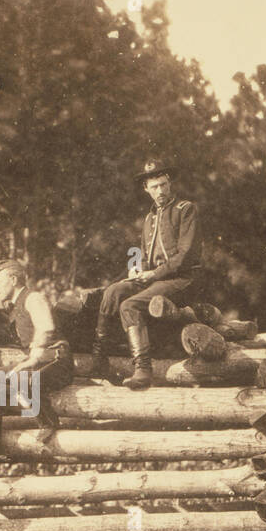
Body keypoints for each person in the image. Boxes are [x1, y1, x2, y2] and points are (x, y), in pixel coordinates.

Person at [91, 160, 203, 389]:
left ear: (169, 183)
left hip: (181, 280)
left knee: (129, 305)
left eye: (163, 185)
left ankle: (143, 369)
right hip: (155, 279)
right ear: (146, 189)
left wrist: (153, 275)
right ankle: (99, 358)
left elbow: (186, 255)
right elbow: (144, 256)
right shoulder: (149, 218)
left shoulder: (185, 209)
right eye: (155, 187)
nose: (160, 191)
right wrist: (137, 271)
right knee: (113, 291)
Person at [0, 259, 75, 464]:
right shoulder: (14, 307)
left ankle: (48, 422)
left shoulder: (33, 297)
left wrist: (33, 358)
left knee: (23, 380)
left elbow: (46, 327)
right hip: (38, 362)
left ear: (13, 280)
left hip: (56, 359)